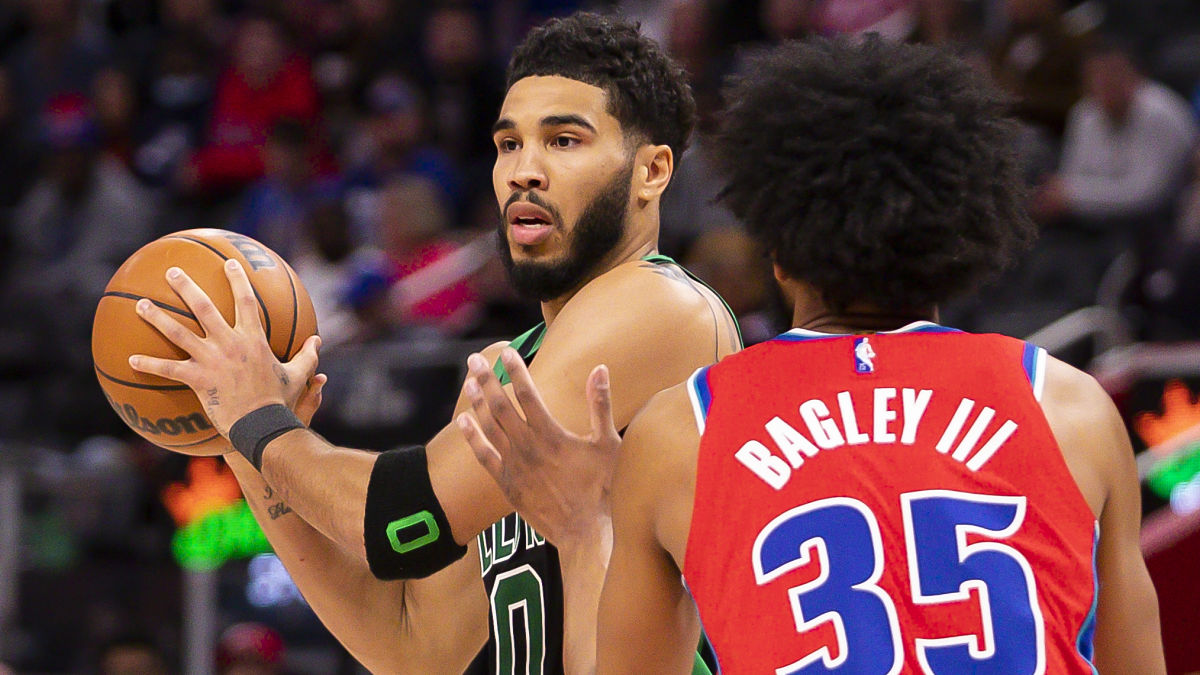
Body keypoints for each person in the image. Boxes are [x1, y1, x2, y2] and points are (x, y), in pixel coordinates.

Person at [458, 37, 1166, 673]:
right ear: (962, 239)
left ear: (779, 250)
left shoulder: (681, 433)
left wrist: (585, 533)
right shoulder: (1070, 406)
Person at [127, 12, 740, 674]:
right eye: (509, 144)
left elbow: (400, 521)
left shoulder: (663, 308)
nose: (523, 171)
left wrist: (259, 422)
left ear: (651, 172)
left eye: (564, 141)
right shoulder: (518, 363)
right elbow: (409, 644)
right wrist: (243, 445)